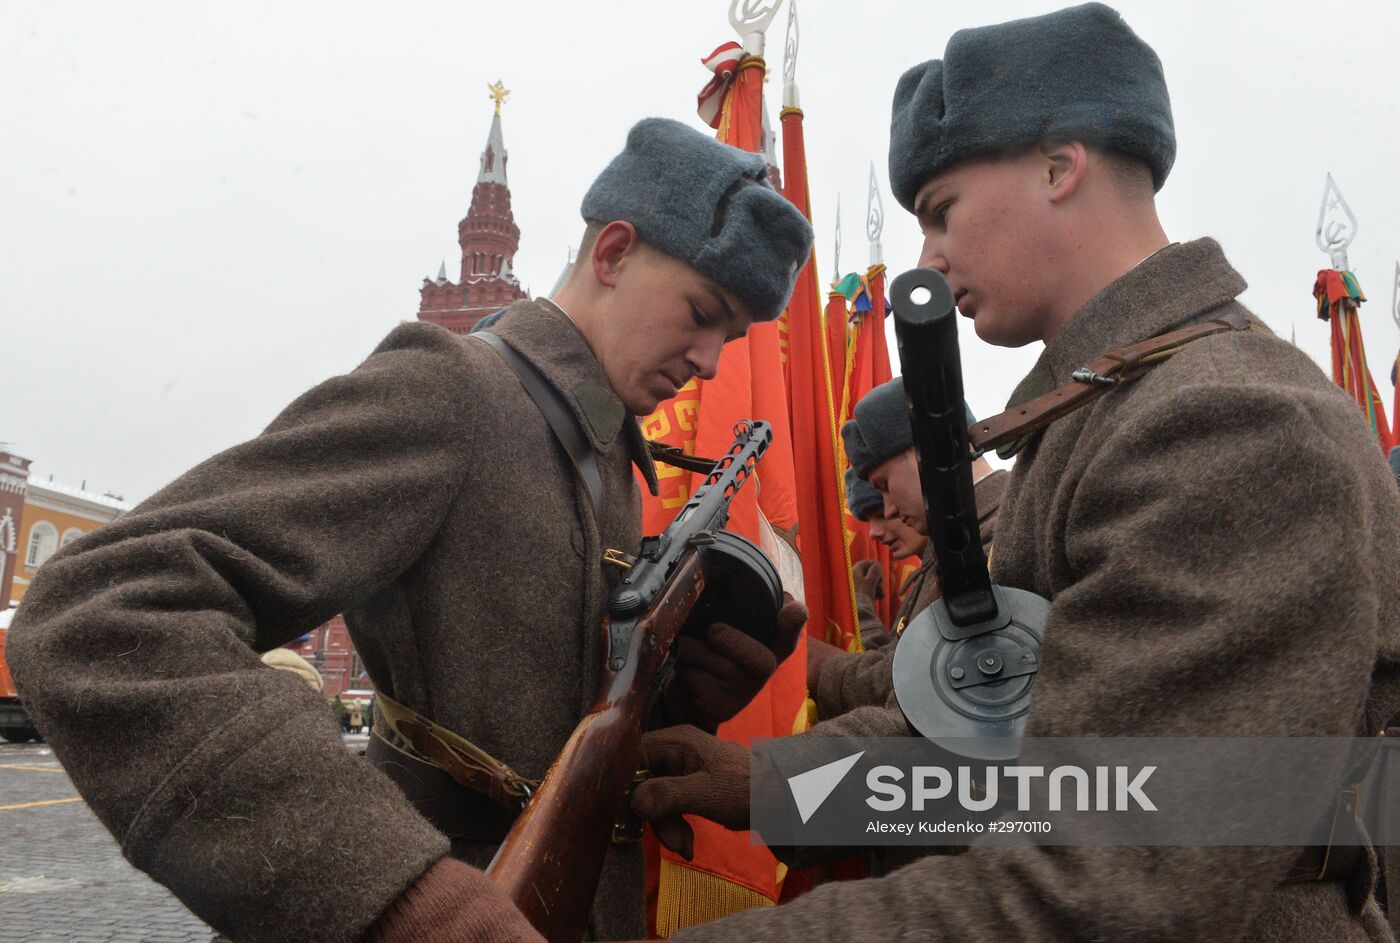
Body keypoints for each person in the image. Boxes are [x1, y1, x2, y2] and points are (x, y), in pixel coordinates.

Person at [629, 5, 1400, 941]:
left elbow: (1113, 870)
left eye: (942, 211)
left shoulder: (1223, 418)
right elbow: (1014, 760)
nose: (929, 257)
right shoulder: (1113, 408)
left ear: (1057, 166)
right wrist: (763, 781)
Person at [7, 117, 813, 943]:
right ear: (610, 254)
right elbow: (98, 612)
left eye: (733, 336)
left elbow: (521, 709)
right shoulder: (457, 390)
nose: (712, 361)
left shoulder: (602, 443)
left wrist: (680, 700)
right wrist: (398, 893)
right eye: (702, 312)